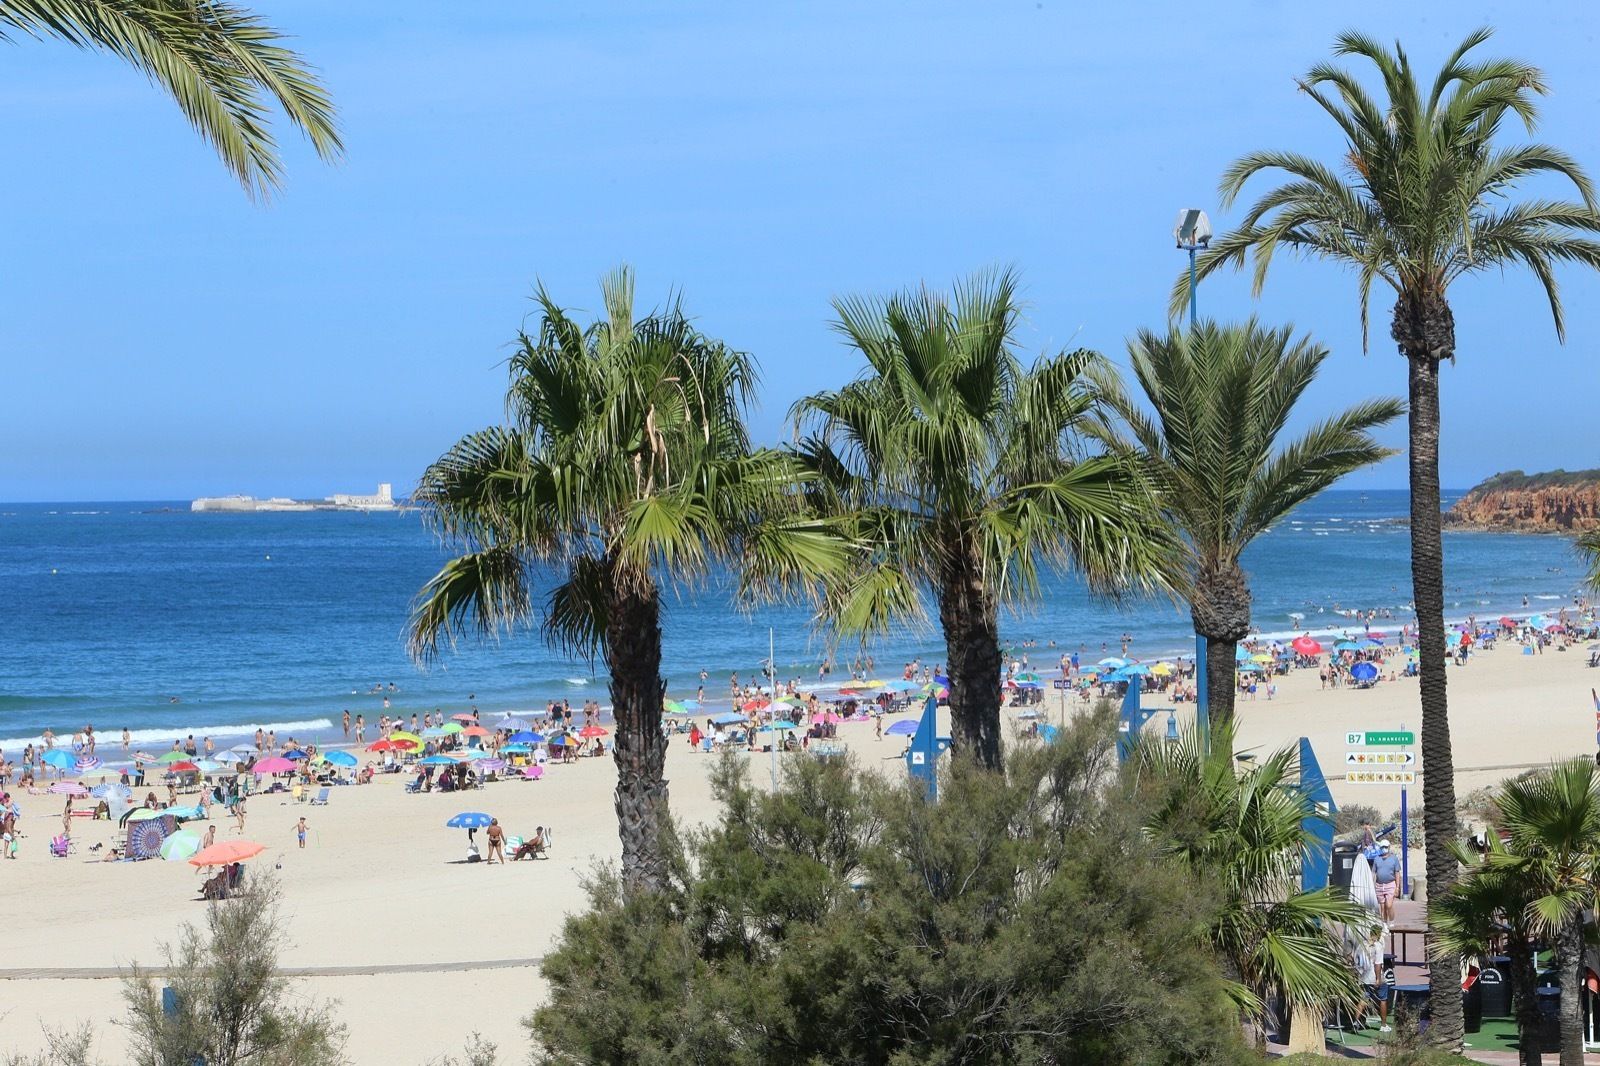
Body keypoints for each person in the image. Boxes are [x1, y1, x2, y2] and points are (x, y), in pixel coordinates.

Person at [1372, 840, 1401, 923]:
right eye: (1382, 847)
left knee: (1389, 905)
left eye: (1385, 847)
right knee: (1382, 907)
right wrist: (1372, 884)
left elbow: (1397, 873)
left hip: (1390, 884)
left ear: (1389, 847)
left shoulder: (1394, 859)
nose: (1384, 849)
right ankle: (1384, 925)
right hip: (1379, 885)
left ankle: (1392, 921)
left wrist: (1397, 887)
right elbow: (1374, 872)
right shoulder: (1377, 859)